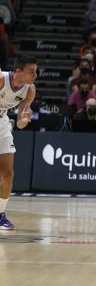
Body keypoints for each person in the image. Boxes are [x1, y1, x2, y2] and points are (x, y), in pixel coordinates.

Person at [0, 56, 37, 230]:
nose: (35, 75)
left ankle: (0, 215)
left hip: (2, 122)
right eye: (32, 71)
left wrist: (23, 119)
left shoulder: (29, 90)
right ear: (18, 71)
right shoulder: (1, 79)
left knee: (8, 173)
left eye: (36, 71)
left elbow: (21, 125)